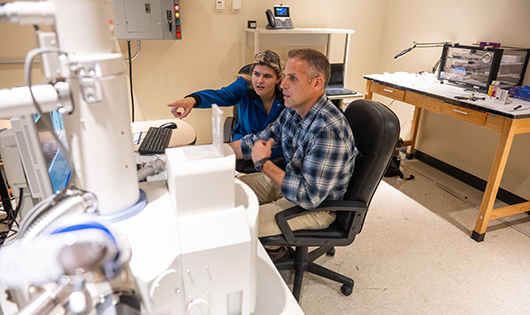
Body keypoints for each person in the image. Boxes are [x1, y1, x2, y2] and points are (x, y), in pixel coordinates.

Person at [228, 48, 357, 260]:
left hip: (315, 207)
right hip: (290, 183)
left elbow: (309, 196)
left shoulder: (327, 130)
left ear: (317, 83)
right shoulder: (293, 108)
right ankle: (272, 246)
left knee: (236, 224)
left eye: (293, 78)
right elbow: (256, 141)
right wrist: (212, 153)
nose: (282, 84)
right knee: (227, 189)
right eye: (285, 75)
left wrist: (265, 164)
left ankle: (273, 249)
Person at [167, 50, 285, 163]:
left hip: (274, 154)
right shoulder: (245, 85)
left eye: (267, 76)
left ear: (278, 79)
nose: (259, 81)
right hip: (242, 148)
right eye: (256, 74)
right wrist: (193, 100)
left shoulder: (287, 98)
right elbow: (222, 95)